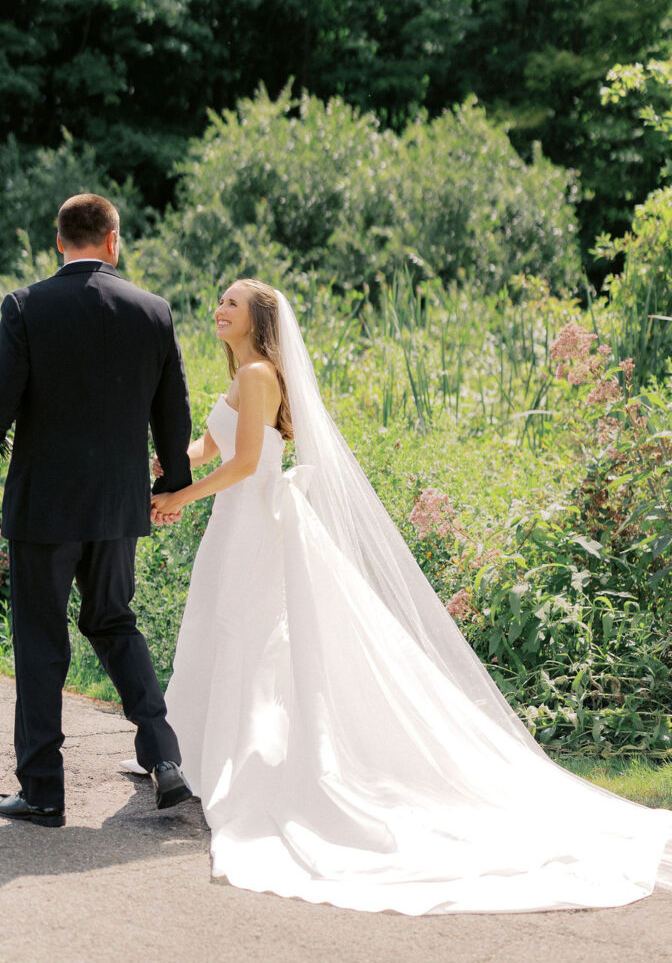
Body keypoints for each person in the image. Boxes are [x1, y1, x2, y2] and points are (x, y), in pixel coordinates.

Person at [146, 278, 672, 915]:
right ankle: (202, 749)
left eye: (232, 302)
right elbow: (212, 446)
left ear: (259, 320)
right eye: (220, 300)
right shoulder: (240, 374)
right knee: (222, 630)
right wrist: (165, 464)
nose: (218, 308)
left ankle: (247, 758)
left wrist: (180, 496)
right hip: (233, 526)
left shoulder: (259, 373)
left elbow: (245, 464)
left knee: (249, 638)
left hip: (253, 524)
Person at [0, 193, 194, 827]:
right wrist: (170, 485)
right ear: (113, 240)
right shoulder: (153, 311)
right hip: (118, 505)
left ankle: (43, 791)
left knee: (42, 641)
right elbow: (171, 412)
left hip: (45, 506)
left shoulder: (25, 306)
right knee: (113, 621)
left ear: (59, 241)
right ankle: (164, 757)